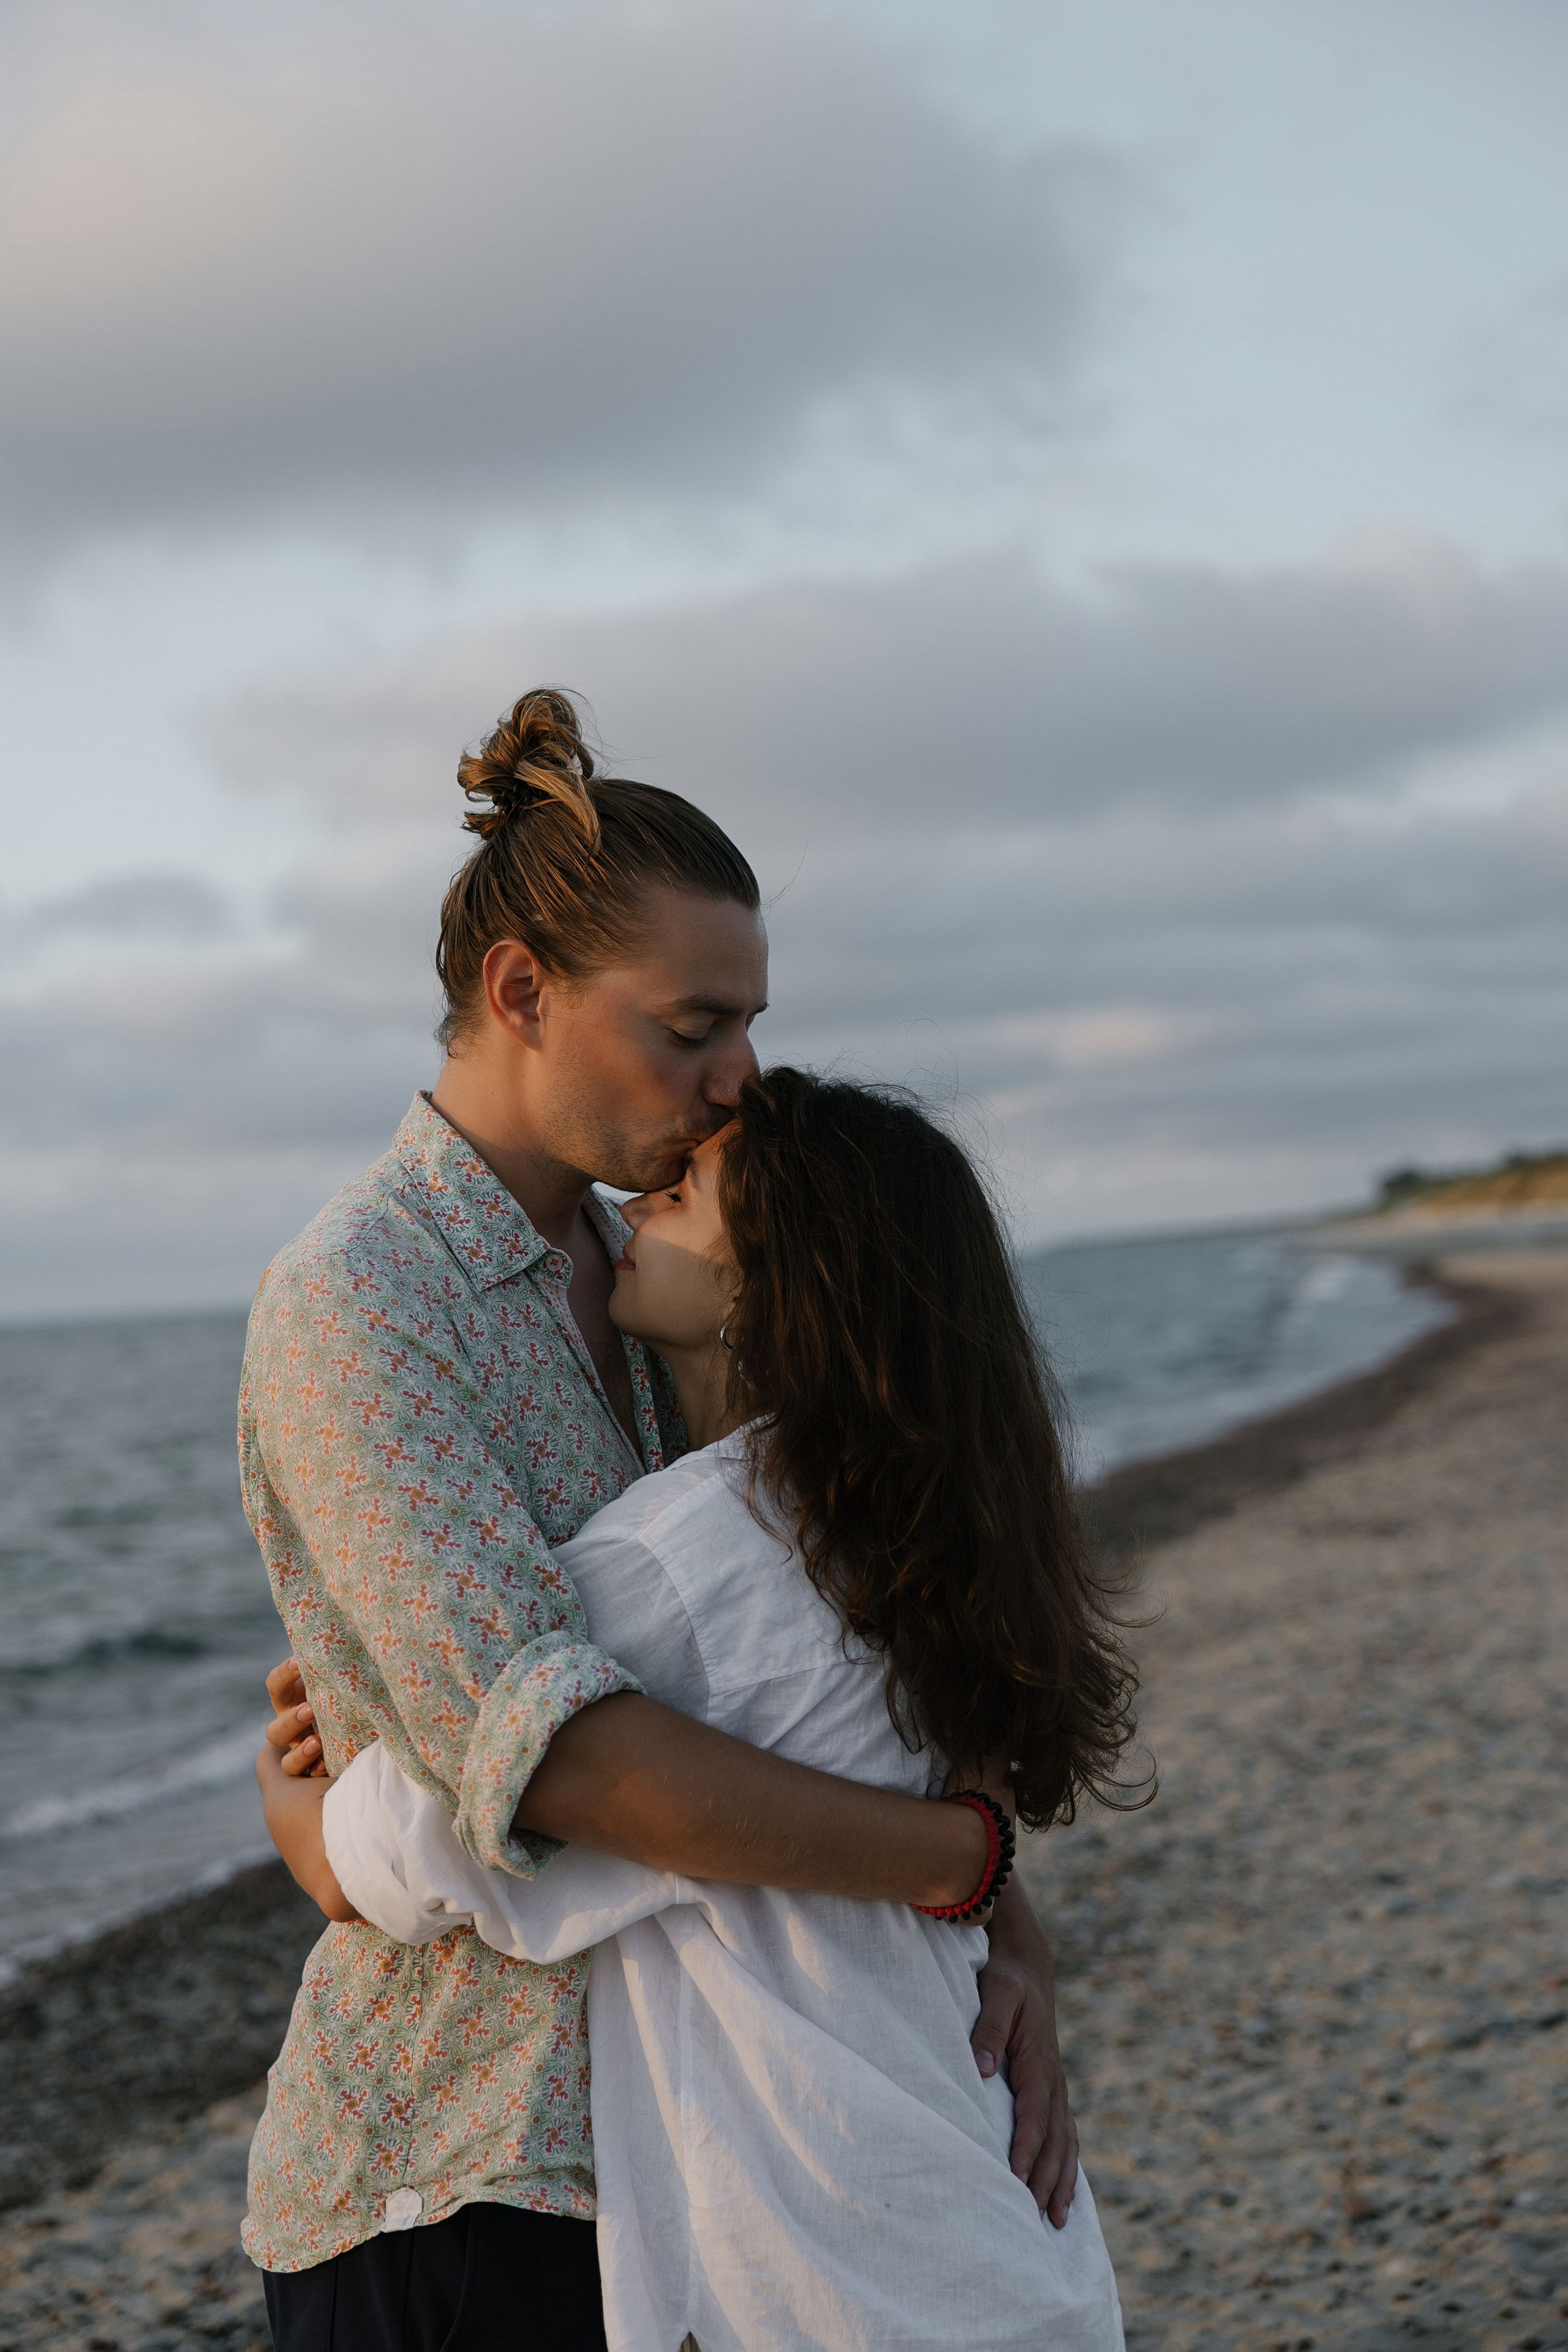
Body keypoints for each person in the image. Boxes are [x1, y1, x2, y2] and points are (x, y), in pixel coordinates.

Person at [239, 691, 1080, 2351]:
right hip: (470, 2155)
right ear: (522, 992)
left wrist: (1007, 1926)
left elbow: (850, 1608)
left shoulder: (664, 1286)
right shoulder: (362, 1298)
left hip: (707, 2152)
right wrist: (952, 1867)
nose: (737, 1077)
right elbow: (546, 1759)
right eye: (694, 1025)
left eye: (749, 1024)